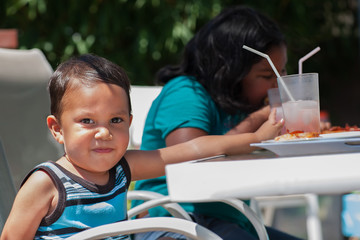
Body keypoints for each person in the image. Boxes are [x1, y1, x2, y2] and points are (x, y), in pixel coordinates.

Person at [0, 53, 284, 240]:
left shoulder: (122, 168)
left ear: (130, 122)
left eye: (116, 120)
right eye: (87, 121)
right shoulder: (45, 183)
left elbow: (194, 149)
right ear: (57, 129)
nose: (104, 132)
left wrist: (257, 136)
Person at [132, 5, 302, 240]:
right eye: (266, 75)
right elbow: (193, 161)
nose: (278, 85)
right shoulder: (186, 93)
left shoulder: (242, 103)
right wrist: (261, 118)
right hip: (175, 218)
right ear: (229, 70)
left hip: (229, 220)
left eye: (281, 73)